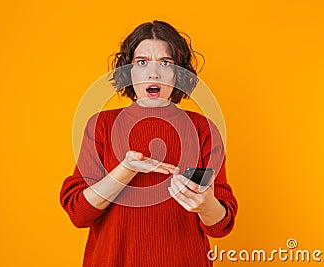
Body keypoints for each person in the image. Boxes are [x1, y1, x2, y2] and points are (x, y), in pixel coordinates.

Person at [60, 20, 238, 267]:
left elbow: (221, 226)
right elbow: (79, 213)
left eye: (166, 63)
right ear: (128, 72)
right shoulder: (101, 125)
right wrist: (127, 168)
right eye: (142, 62)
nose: (153, 73)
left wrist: (206, 204)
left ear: (179, 73)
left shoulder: (203, 129)